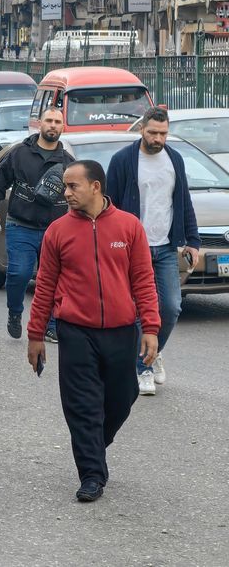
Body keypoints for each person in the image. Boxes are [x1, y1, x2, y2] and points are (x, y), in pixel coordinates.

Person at [27, 161, 160, 503]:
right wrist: (36, 335)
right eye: (65, 187)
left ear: (96, 187)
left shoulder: (129, 227)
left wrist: (151, 328)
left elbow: (144, 280)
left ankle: (94, 446)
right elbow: (44, 286)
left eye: (73, 186)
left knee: (122, 398)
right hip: (75, 331)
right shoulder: (57, 231)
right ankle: (91, 474)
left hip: (121, 331)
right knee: (82, 406)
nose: (66, 193)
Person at [106, 106, 200, 395]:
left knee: (171, 308)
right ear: (142, 130)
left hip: (165, 248)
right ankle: (142, 368)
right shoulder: (123, 160)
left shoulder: (174, 159)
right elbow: (110, 205)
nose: (158, 138)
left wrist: (193, 241)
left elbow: (183, 200)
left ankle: (153, 350)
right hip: (134, 249)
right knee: (137, 312)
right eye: (153, 132)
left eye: (163, 133)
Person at [0, 108, 74, 341]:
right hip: (20, 225)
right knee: (19, 273)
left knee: (56, 279)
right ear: (39, 124)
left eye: (57, 122)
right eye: (49, 121)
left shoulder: (68, 163)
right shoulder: (20, 153)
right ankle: (15, 313)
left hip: (55, 230)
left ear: (63, 127)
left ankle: (52, 324)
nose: (53, 125)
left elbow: (82, 194)